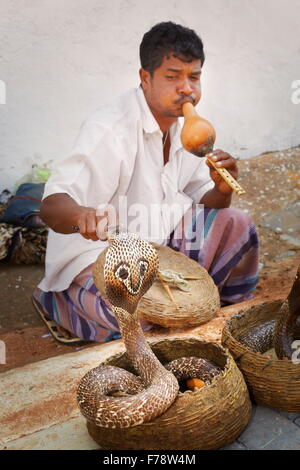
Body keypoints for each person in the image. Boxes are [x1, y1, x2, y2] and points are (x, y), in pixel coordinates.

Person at [33, 21, 259, 343]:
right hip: (100, 256)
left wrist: (221, 188)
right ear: (145, 78)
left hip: (158, 245)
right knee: (139, 321)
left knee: (238, 226)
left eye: (193, 77)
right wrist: (82, 216)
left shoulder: (187, 128)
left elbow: (204, 205)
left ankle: (226, 318)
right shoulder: (109, 130)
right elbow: (52, 206)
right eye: (172, 76)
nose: (187, 89)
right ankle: (58, 301)